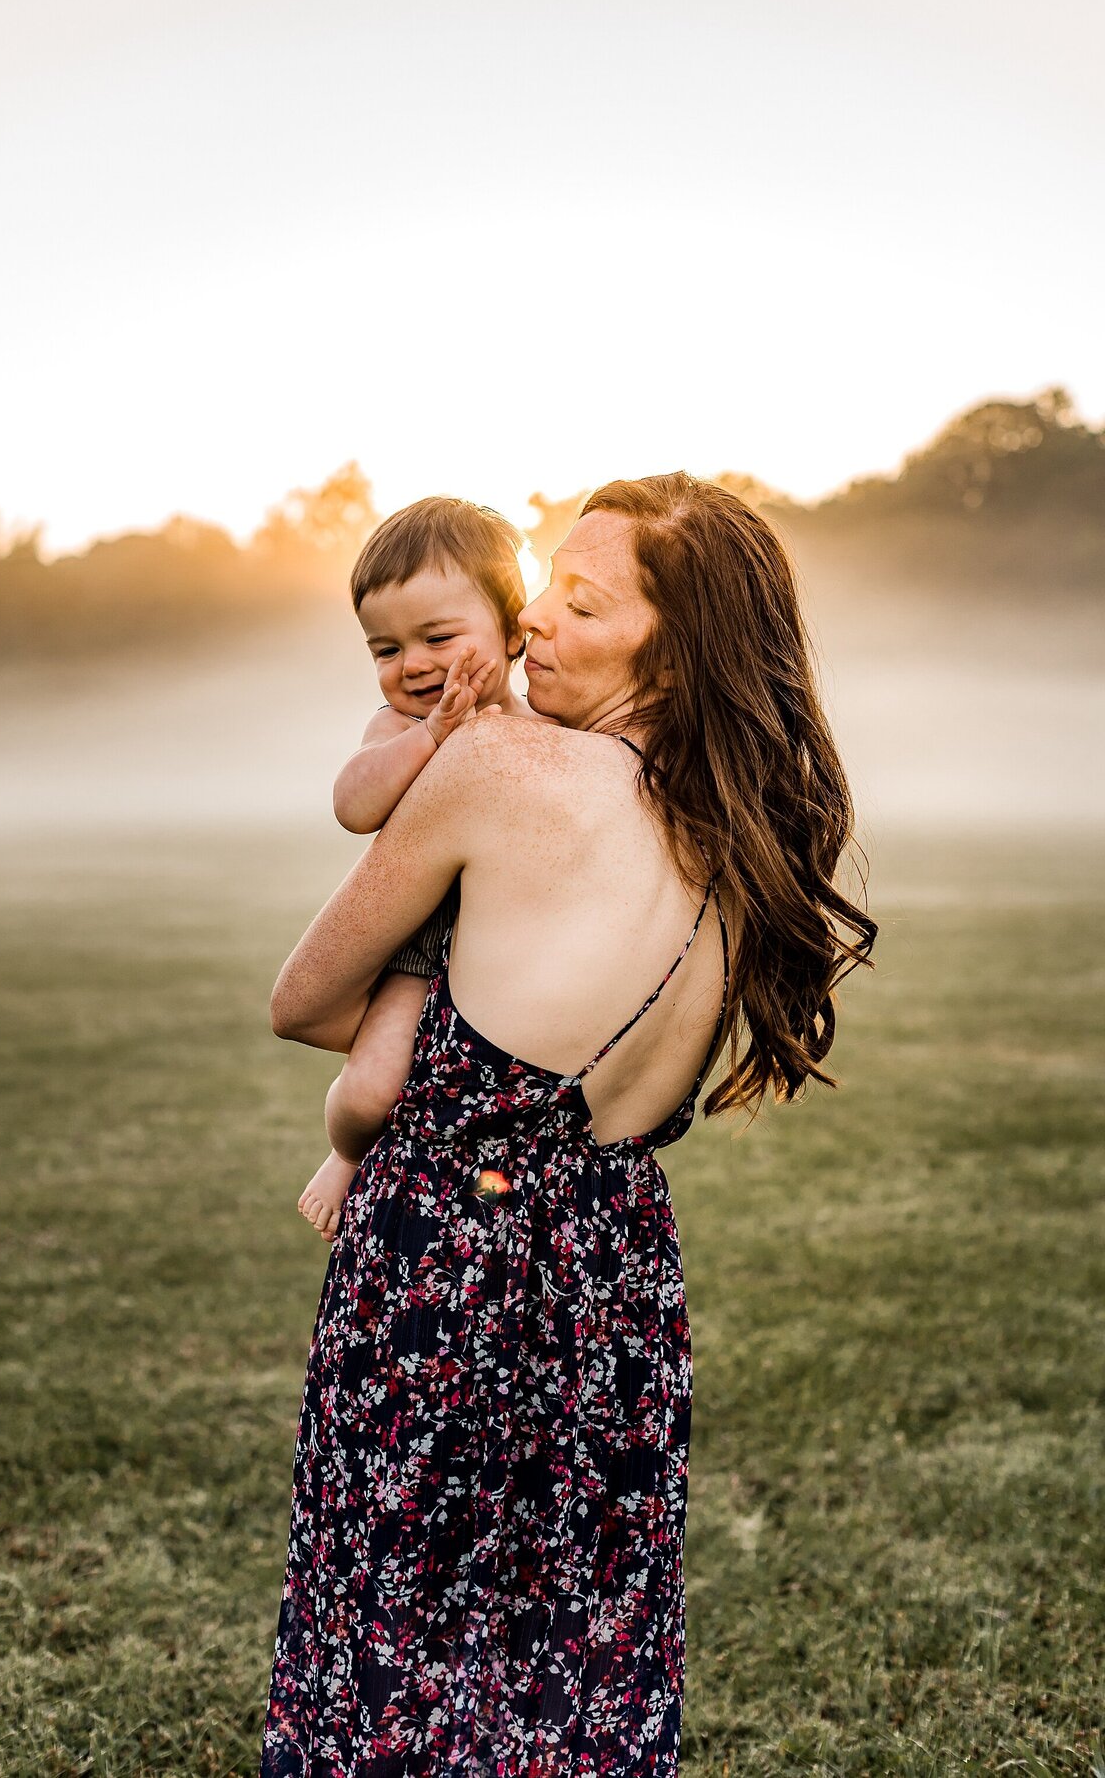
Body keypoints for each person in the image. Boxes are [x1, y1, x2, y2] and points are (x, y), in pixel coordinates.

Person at [260, 473, 877, 1777]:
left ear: (676, 641)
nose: (531, 618)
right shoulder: (743, 837)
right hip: (617, 1261)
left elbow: (302, 999)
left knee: (404, 1634)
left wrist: (406, 1028)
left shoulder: (496, 764)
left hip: (452, 1249)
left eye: (581, 601)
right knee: (584, 1637)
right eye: (543, 580)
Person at [298, 496, 551, 1245]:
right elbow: (353, 803)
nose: (412, 665)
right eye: (385, 649)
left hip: (512, 949)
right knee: (375, 1088)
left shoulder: (545, 726)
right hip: (420, 947)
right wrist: (434, 736)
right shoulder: (398, 728)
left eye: (437, 637)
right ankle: (345, 1156)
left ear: (510, 631)